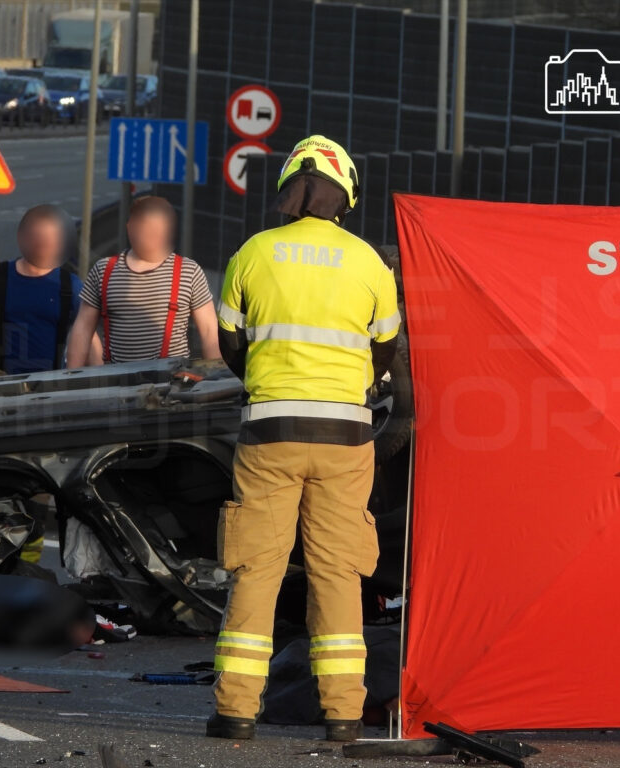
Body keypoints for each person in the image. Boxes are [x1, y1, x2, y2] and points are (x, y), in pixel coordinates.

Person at [209, 135, 400, 743]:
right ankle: (342, 715)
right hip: (346, 436)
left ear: (292, 188)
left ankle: (236, 712)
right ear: (344, 196)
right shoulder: (370, 262)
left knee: (257, 570)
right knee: (338, 574)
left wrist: (269, 383)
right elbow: (384, 351)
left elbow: (230, 344)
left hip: (270, 431)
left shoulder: (252, 254)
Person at [0, 204, 98, 383]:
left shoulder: (70, 286)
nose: (42, 245)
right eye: (38, 238)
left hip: (49, 384)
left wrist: (102, 382)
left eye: (49, 240)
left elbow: (88, 335)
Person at [66, 196, 218, 366]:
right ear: (130, 228)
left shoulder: (188, 271)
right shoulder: (103, 270)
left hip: (173, 382)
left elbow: (209, 332)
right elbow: (83, 328)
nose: (153, 236)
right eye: (147, 229)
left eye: (158, 230)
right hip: (117, 381)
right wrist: (71, 376)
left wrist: (217, 378)